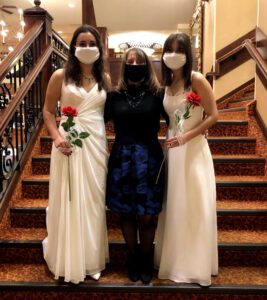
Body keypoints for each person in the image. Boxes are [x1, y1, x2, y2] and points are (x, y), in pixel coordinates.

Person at [42, 24, 110, 284]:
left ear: (99, 48)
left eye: (91, 43)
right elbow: (48, 112)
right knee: (70, 200)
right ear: (73, 48)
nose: (87, 48)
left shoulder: (104, 78)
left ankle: (90, 258)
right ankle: (70, 258)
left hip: (96, 145)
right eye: (81, 43)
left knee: (93, 202)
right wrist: (57, 137)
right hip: (68, 143)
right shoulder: (60, 76)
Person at [154, 32, 218, 286]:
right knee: (175, 205)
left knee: (193, 204)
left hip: (192, 150)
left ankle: (194, 263)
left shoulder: (197, 79)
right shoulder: (167, 84)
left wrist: (186, 137)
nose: (173, 55)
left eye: (179, 50)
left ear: (187, 55)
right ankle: (174, 258)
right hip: (172, 150)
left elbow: (213, 115)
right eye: (169, 50)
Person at [104, 47, 168, 284]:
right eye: (129, 61)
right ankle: (132, 259)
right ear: (123, 66)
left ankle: (145, 259)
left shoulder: (157, 94)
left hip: (150, 160)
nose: (133, 64)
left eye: (138, 60)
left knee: (147, 216)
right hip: (122, 160)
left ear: (147, 65)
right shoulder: (114, 96)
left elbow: (176, 117)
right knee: (126, 213)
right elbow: (93, 121)